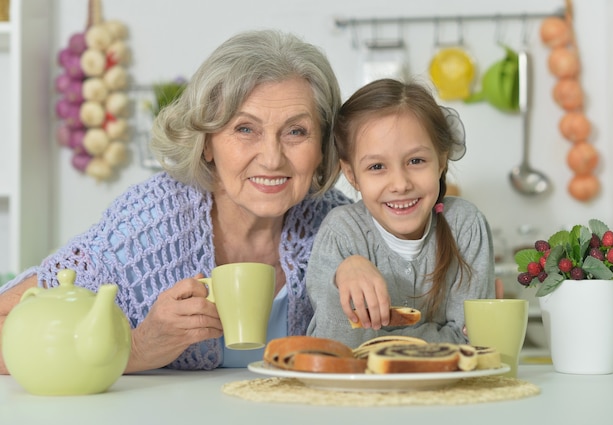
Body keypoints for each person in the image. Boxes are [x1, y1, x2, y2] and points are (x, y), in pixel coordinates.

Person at [0, 29, 352, 373]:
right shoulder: (150, 223)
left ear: (322, 147)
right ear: (208, 142)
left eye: (296, 131)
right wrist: (135, 349)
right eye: (245, 129)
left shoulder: (342, 226)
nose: (272, 158)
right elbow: (9, 328)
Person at [306, 78, 495, 347]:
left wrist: (379, 341)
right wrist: (342, 274)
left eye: (416, 161)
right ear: (351, 174)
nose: (400, 184)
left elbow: (473, 340)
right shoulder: (342, 233)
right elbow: (335, 347)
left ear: (441, 161)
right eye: (376, 167)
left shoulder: (465, 225)